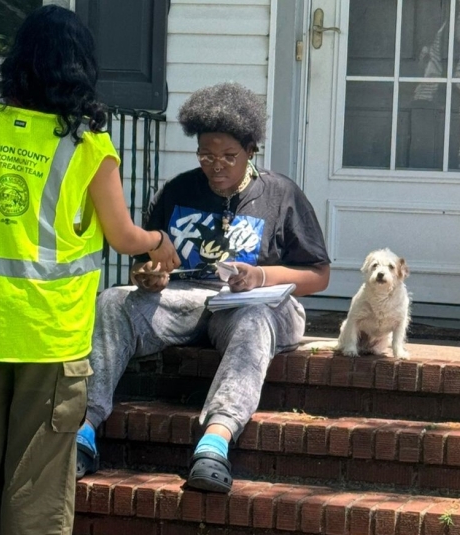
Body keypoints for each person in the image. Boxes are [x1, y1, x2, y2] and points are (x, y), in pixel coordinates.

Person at [0, 6, 179, 534]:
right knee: (36, 484)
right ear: (79, 67)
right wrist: (161, 242)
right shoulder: (87, 144)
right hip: (49, 335)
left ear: (18, 60)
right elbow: (122, 236)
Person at [77, 82, 330, 492]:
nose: (217, 166)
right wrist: (146, 275)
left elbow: (319, 275)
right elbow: (145, 262)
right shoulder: (178, 190)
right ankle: (84, 429)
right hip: (183, 301)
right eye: (206, 156)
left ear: (251, 149)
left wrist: (260, 277)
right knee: (111, 301)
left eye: (229, 156)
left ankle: (215, 442)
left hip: (258, 304)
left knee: (251, 318)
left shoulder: (281, 194)